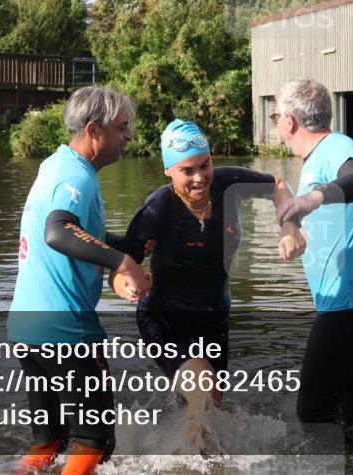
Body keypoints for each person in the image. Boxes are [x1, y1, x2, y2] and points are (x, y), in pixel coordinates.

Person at [116, 119, 305, 440]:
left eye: (205, 165)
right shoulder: (156, 209)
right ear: (168, 171)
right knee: (203, 393)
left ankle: (184, 459)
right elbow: (121, 270)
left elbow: (277, 185)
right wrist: (129, 286)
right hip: (166, 318)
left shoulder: (228, 184)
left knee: (209, 409)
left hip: (215, 319)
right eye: (187, 171)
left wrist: (290, 226)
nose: (200, 177)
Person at [7, 86, 152, 475]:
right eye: (123, 127)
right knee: (94, 440)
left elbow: (76, 233)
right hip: (65, 331)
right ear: (94, 130)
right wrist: (122, 261)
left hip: (27, 325)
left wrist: (131, 246)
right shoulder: (79, 178)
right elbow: (58, 231)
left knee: (48, 440)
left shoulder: (56, 164)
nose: (129, 136)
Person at [270, 77, 353, 429]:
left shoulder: (337, 146)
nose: (276, 123)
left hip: (351, 305)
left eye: (274, 115)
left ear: (290, 120)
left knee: (311, 412)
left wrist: (312, 198)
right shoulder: (318, 157)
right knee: (349, 410)